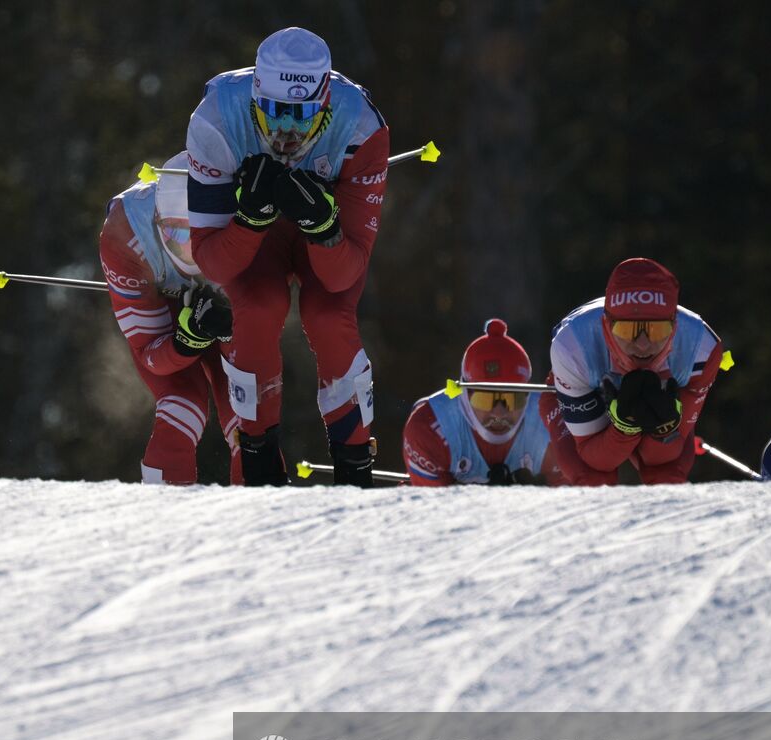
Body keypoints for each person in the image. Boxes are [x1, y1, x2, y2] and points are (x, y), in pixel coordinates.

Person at [185, 26, 389, 486]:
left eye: (300, 116)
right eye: (273, 112)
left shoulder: (363, 127)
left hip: (325, 239)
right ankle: (258, 461)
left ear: (326, 106)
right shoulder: (216, 117)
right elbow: (213, 263)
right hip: (258, 238)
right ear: (255, 99)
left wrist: (325, 228)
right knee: (256, 308)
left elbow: (344, 275)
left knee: (327, 314)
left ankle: (355, 465)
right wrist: (250, 220)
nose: (285, 132)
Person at [99, 153, 242, 484]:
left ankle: (262, 518)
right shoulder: (124, 235)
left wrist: (231, 320)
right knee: (183, 404)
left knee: (247, 408)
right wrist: (186, 341)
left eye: (202, 234)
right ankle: (159, 517)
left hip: (222, 294)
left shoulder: (242, 222)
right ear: (157, 223)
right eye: (179, 236)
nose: (191, 252)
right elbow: (149, 353)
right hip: (161, 303)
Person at [540, 257, 725, 485]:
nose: (643, 345)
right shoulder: (572, 346)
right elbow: (596, 460)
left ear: (675, 327)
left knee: (667, 474)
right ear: (606, 326)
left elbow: (660, 459)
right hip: (582, 391)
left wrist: (662, 429)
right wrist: (624, 429)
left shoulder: (702, 349)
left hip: (619, 396)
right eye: (628, 331)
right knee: (593, 478)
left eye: (657, 331)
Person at [402, 319, 560, 486]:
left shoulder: (553, 423)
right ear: (463, 395)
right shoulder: (428, 427)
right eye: (485, 400)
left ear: (528, 396)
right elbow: (431, 509)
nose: (499, 414)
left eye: (513, 399)